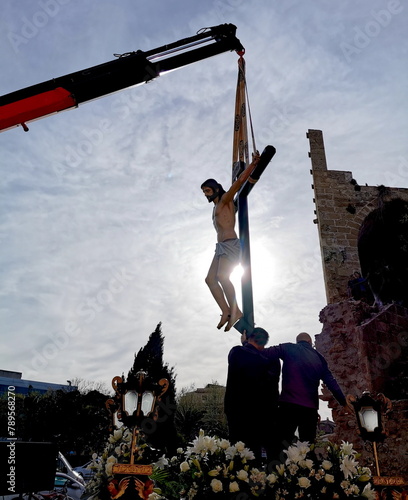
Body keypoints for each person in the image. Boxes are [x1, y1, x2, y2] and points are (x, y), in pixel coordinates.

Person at [262, 332, 349, 457]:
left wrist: (248, 343)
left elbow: (265, 353)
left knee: (280, 444)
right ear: (310, 342)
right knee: (307, 448)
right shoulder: (319, 358)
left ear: (298, 341)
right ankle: (308, 474)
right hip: (310, 410)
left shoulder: (288, 348)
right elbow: (331, 382)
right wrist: (344, 402)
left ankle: (276, 474)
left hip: (288, 406)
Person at [201, 151, 260, 331]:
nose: (206, 194)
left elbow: (239, 182)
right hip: (220, 247)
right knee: (210, 279)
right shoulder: (216, 208)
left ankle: (236, 310)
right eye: (204, 192)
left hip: (231, 244)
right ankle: (226, 311)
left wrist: (253, 164)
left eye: (208, 191)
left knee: (222, 276)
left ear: (216, 189)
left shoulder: (226, 200)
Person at [224, 327, 280, 462]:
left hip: (238, 413)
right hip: (264, 415)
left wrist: (245, 343)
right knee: (262, 456)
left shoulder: (236, 352)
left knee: (240, 455)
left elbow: (245, 357)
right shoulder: (272, 360)